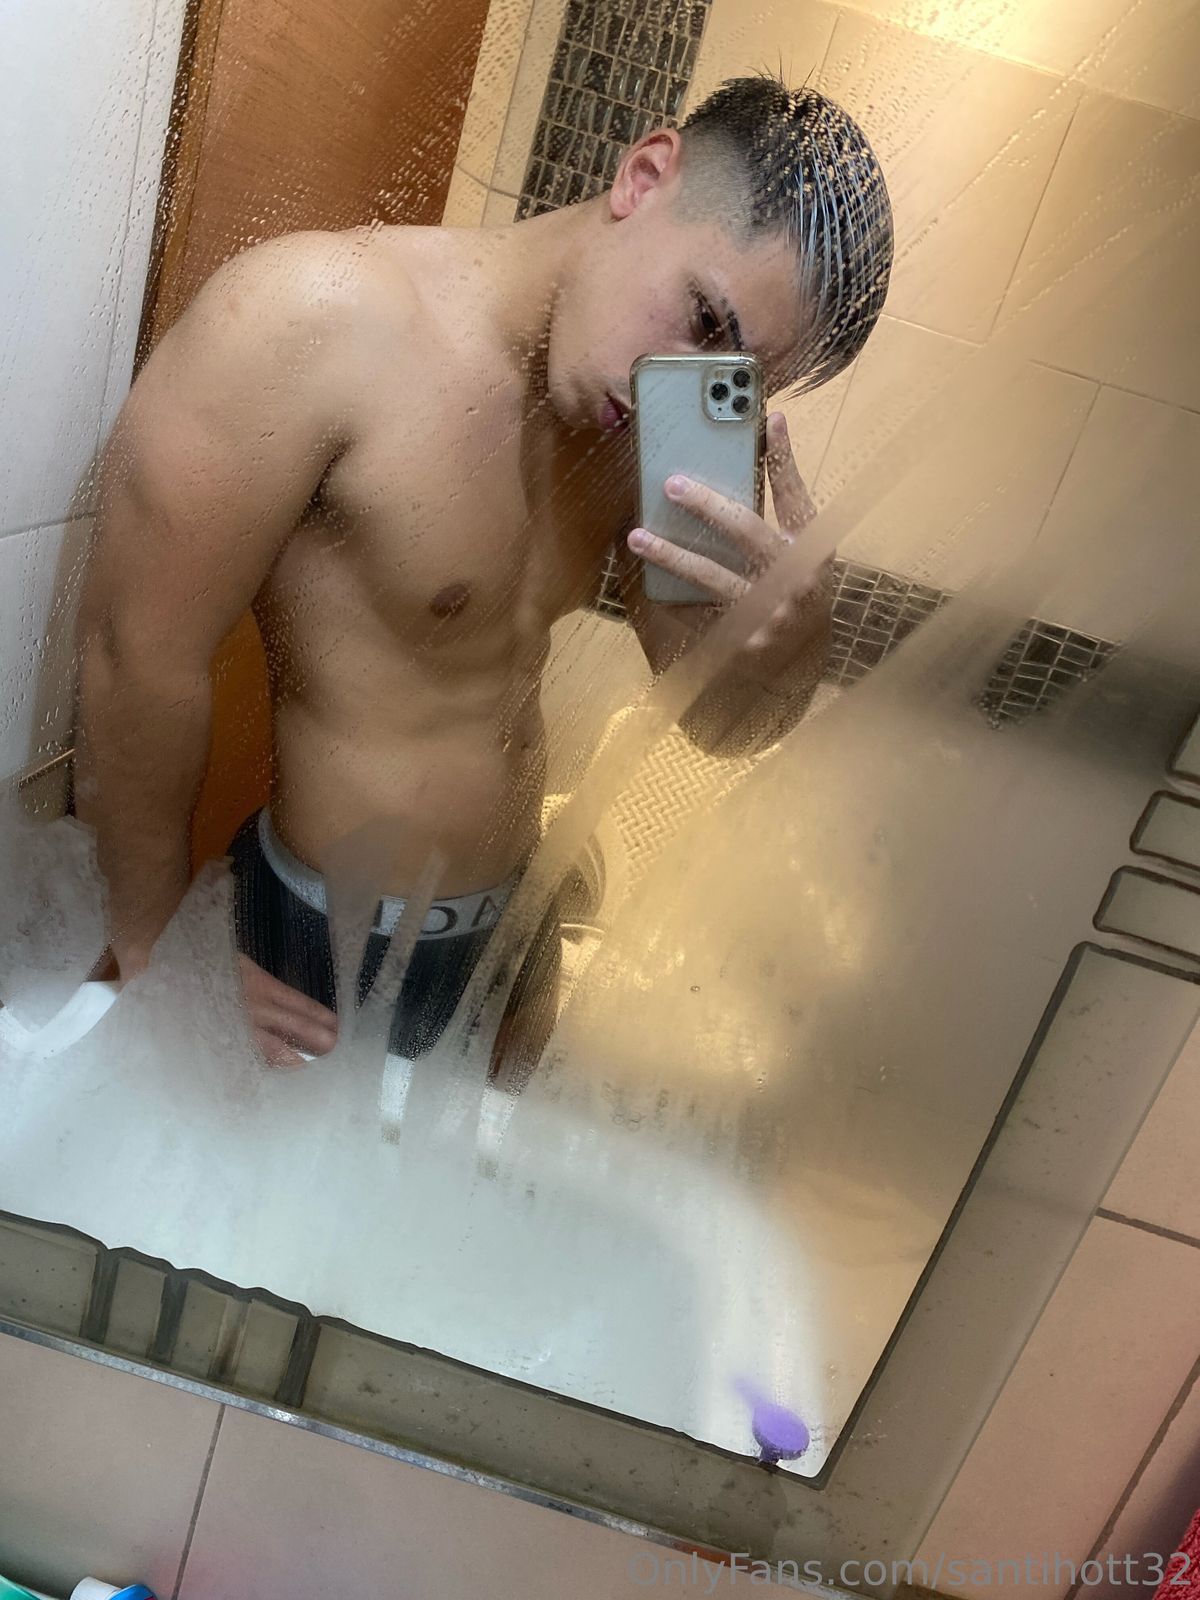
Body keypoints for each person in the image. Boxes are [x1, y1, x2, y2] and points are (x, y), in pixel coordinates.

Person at [74, 71, 893, 1073]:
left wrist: (791, 650)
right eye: (705, 320)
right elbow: (136, 655)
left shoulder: (646, 428)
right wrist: (157, 956)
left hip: (513, 947)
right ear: (644, 176)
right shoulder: (316, 320)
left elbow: (719, 725)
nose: (683, 385)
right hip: (322, 948)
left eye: (739, 378)